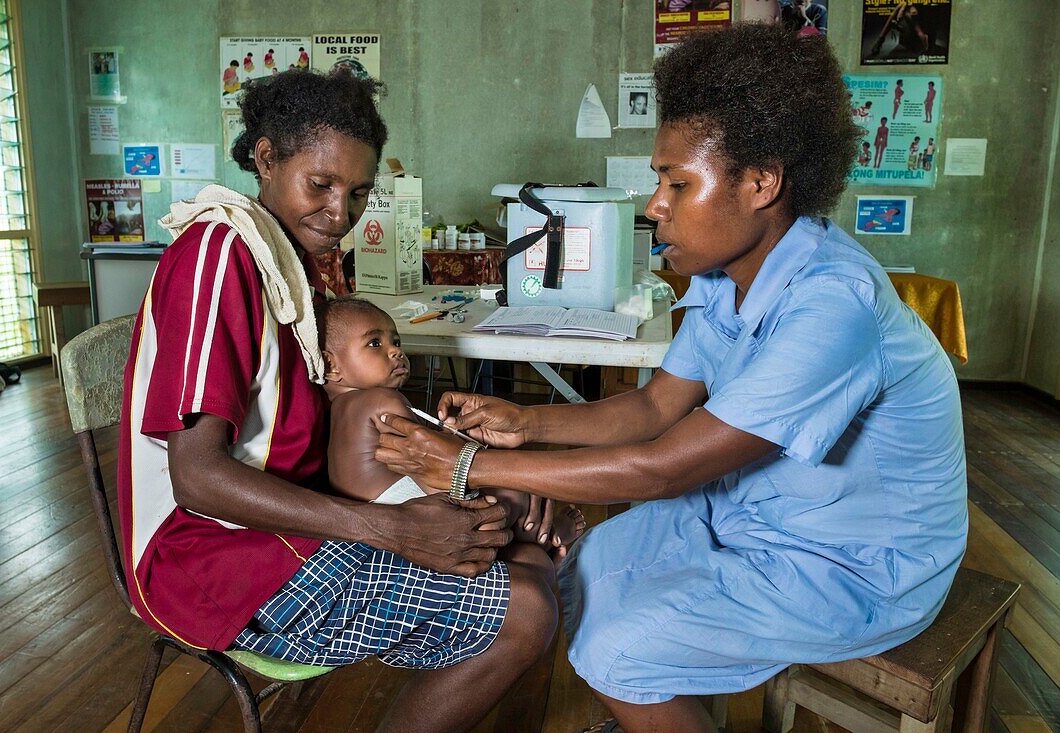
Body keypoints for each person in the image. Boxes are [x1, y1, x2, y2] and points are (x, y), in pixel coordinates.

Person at [375, 24, 967, 733]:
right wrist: (521, 421)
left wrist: (473, 462)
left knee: (613, 647)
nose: (655, 204)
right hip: (755, 515)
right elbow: (656, 406)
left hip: (854, 563)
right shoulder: (726, 276)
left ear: (761, 182)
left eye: (677, 182)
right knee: (579, 570)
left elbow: (663, 469)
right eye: (661, 180)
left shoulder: (833, 304)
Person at [117, 69, 559, 733]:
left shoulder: (297, 263)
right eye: (319, 185)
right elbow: (198, 476)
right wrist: (399, 527)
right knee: (525, 607)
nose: (339, 213)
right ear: (265, 159)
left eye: (356, 193)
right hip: (210, 558)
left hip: (291, 525)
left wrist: (474, 478)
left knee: (518, 546)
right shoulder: (221, 254)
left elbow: (337, 429)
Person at [317, 296, 586, 548]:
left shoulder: (335, 408)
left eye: (396, 342)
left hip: (367, 520)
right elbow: (433, 471)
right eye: (375, 343)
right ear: (331, 366)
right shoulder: (382, 401)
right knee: (512, 494)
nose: (396, 352)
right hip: (401, 509)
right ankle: (546, 537)